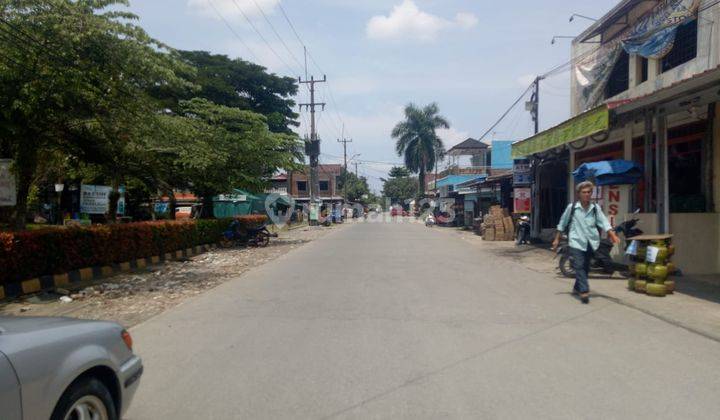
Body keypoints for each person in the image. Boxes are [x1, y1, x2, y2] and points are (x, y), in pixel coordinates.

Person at [552, 181, 620, 304]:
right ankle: (584, 290)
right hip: (576, 241)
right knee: (579, 265)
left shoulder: (595, 208)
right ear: (579, 194)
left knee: (586, 266)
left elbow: (603, 222)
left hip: (591, 242)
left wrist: (612, 234)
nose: (587, 194)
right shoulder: (572, 208)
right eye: (584, 192)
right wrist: (557, 239)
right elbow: (562, 223)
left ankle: (577, 287)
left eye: (589, 192)